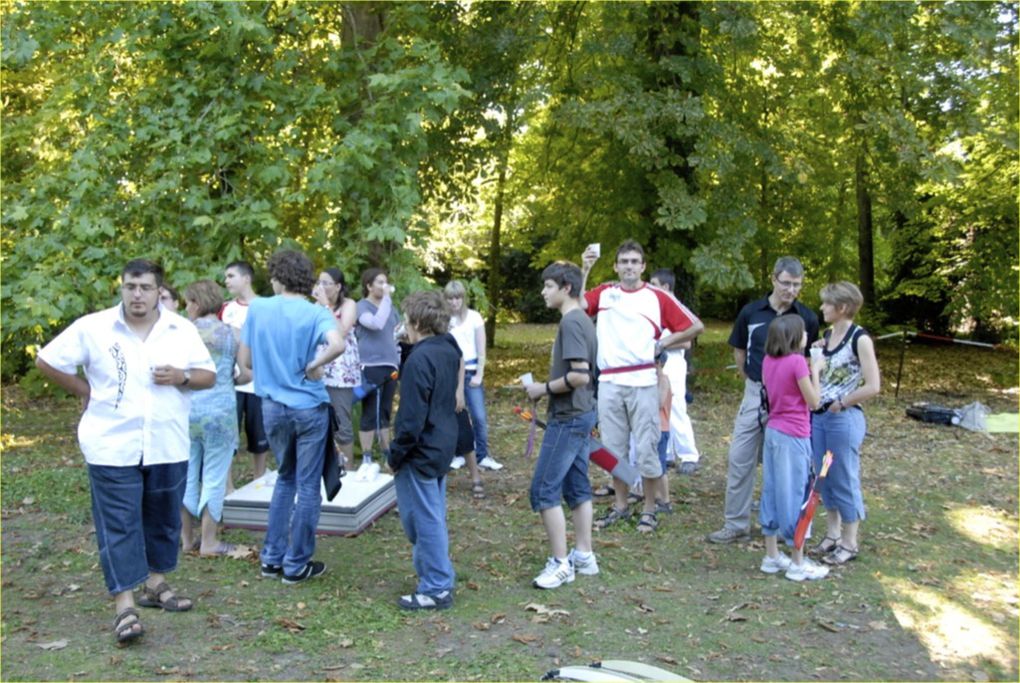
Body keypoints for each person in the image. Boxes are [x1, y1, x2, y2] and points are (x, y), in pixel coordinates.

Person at [35, 259, 216, 644]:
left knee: (163, 520)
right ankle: (124, 606)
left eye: (145, 287)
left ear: (158, 291)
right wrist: (85, 390)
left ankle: (156, 584)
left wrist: (181, 376)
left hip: (167, 443)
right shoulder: (94, 328)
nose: (137, 294)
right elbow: (46, 360)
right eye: (130, 286)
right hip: (110, 444)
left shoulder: (180, 330)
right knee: (120, 524)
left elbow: (208, 375)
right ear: (121, 288)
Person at [581, 240, 704, 534]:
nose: (629, 267)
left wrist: (663, 343)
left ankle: (649, 508)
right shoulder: (606, 294)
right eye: (624, 261)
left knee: (648, 449)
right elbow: (577, 308)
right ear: (616, 266)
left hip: (644, 381)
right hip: (610, 381)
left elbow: (695, 326)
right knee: (614, 449)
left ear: (643, 266)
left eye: (635, 261)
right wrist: (585, 269)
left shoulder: (657, 297)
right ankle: (620, 506)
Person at [237, 250, 344, 584]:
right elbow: (337, 344)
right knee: (308, 485)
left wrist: (272, 372)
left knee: (285, 477)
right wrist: (313, 365)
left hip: (271, 406)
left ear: (277, 277)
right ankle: (296, 565)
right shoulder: (316, 313)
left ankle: (272, 559)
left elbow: (245, 363)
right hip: (309, 407)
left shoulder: (258, 308)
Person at [706, 256, 820, 544]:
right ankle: (735, 523)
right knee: (740, 457)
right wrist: (753, 383)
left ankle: (787, 526)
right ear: (773, 279)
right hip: (756, 392)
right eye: (786, 283)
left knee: (785, 464)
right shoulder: (751, 312)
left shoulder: (806, 317)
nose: (790, 290)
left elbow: (807, 361)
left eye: (796, 285)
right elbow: (739, 352)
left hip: (790, 402)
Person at [524, 262, 599, 589]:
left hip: (569, 418)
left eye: (548, 286)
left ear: (566, 288)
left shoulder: (572, 322)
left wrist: (543, 388)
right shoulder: (581, 317)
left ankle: (561, 564)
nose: (543, 291)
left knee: (543, 489)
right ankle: (584, 555)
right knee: (577, 486)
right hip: (582, 413)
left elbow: (581, 375)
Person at [388, 290, 459, 610]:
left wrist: (396, 453)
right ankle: (435, 575)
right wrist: (407, 348)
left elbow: (411, 417)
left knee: (422, 521)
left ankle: (436, 586)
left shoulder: (422, 359)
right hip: (442, 442)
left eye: (407, 319)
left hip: (421, 448)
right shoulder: (447, 348)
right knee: (430, 516)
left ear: (416, 321)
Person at [810, 282, 881, 565]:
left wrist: (844, 402)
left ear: (842, 308)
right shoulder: (827, 335)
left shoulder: (859, 339)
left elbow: (874, 385)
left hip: (843, 419)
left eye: (827, 304)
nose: (822, 308)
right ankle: (833, 534)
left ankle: (850, 542)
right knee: (823, 475)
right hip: (820, 417)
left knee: (844, 477)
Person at [180, 280, 250, 556]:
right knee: (215, 475)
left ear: (196, 303)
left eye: (188, 301)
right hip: (220, 410)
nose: (186, 307)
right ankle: (209, 541)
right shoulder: (234, 333)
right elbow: (245, 373)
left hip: (186, 409)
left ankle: (186, 540)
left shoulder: (182, 334)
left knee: (186, 475)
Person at [757, 315, 829, 581]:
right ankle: (798, 562)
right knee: (797, 493)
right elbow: (813, 401)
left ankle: (772, 555)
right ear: (794, 337)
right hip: (794, 434)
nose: (807, 336)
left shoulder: (768, 360)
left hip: (774, 431)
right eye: (803, 333)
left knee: (773, 489)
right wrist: (816, 370)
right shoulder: (798, 362)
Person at [220, 260, 270, 484]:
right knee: (229, 437)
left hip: (259, 383)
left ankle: (259, 479)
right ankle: (228, 487)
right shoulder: (226, 309)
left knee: (259, 436)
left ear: (246, 278)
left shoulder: (267, 307)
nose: (226, 281)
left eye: (231, 276)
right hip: (231, 383)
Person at [445, 280, 503, 473]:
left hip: (471, 372)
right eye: (451, 298)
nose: (454, 302)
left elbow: (481, 348)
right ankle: (458, 454)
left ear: (463, 298)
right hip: (451, 372)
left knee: (478, 415)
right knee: (454, 415)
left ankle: (482, 455)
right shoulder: (444, 320)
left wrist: (480, 373)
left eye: (458, 298)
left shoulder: (474, 317)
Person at [649, 269, 700, 475]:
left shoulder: (676, 309)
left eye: (654, 283)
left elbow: (686, 341)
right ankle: (668, 453)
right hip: (657, 365)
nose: (649, 287)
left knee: (677, 407)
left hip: (674, 363)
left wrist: (659, 345)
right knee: (661, 409)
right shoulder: (653, 308)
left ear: (665, 287)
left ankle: (689, 455)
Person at [313, 267, 360, 473]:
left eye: (326, 283)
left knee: (342, 421)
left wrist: (325, 307)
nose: (321, 287)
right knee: (319, 421)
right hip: (320, 368)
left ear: (338, 286)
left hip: (342, 372)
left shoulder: (349, 304)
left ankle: (348, 469)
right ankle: (328, 468)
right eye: (319, 282)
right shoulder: (316, 306)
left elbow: (341, 331)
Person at [355, 268, 400, 461]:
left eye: (386, 282)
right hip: (370, 365)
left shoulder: (391, 308)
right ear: (368, 286)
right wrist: (387, 299)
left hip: (390, 365)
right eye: (380, 282)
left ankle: (385, 451)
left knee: (385, 410)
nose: (384, 286)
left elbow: (395, 333)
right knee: (370, 410)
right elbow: (375, 324)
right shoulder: (361, 307)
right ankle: (366, 455)